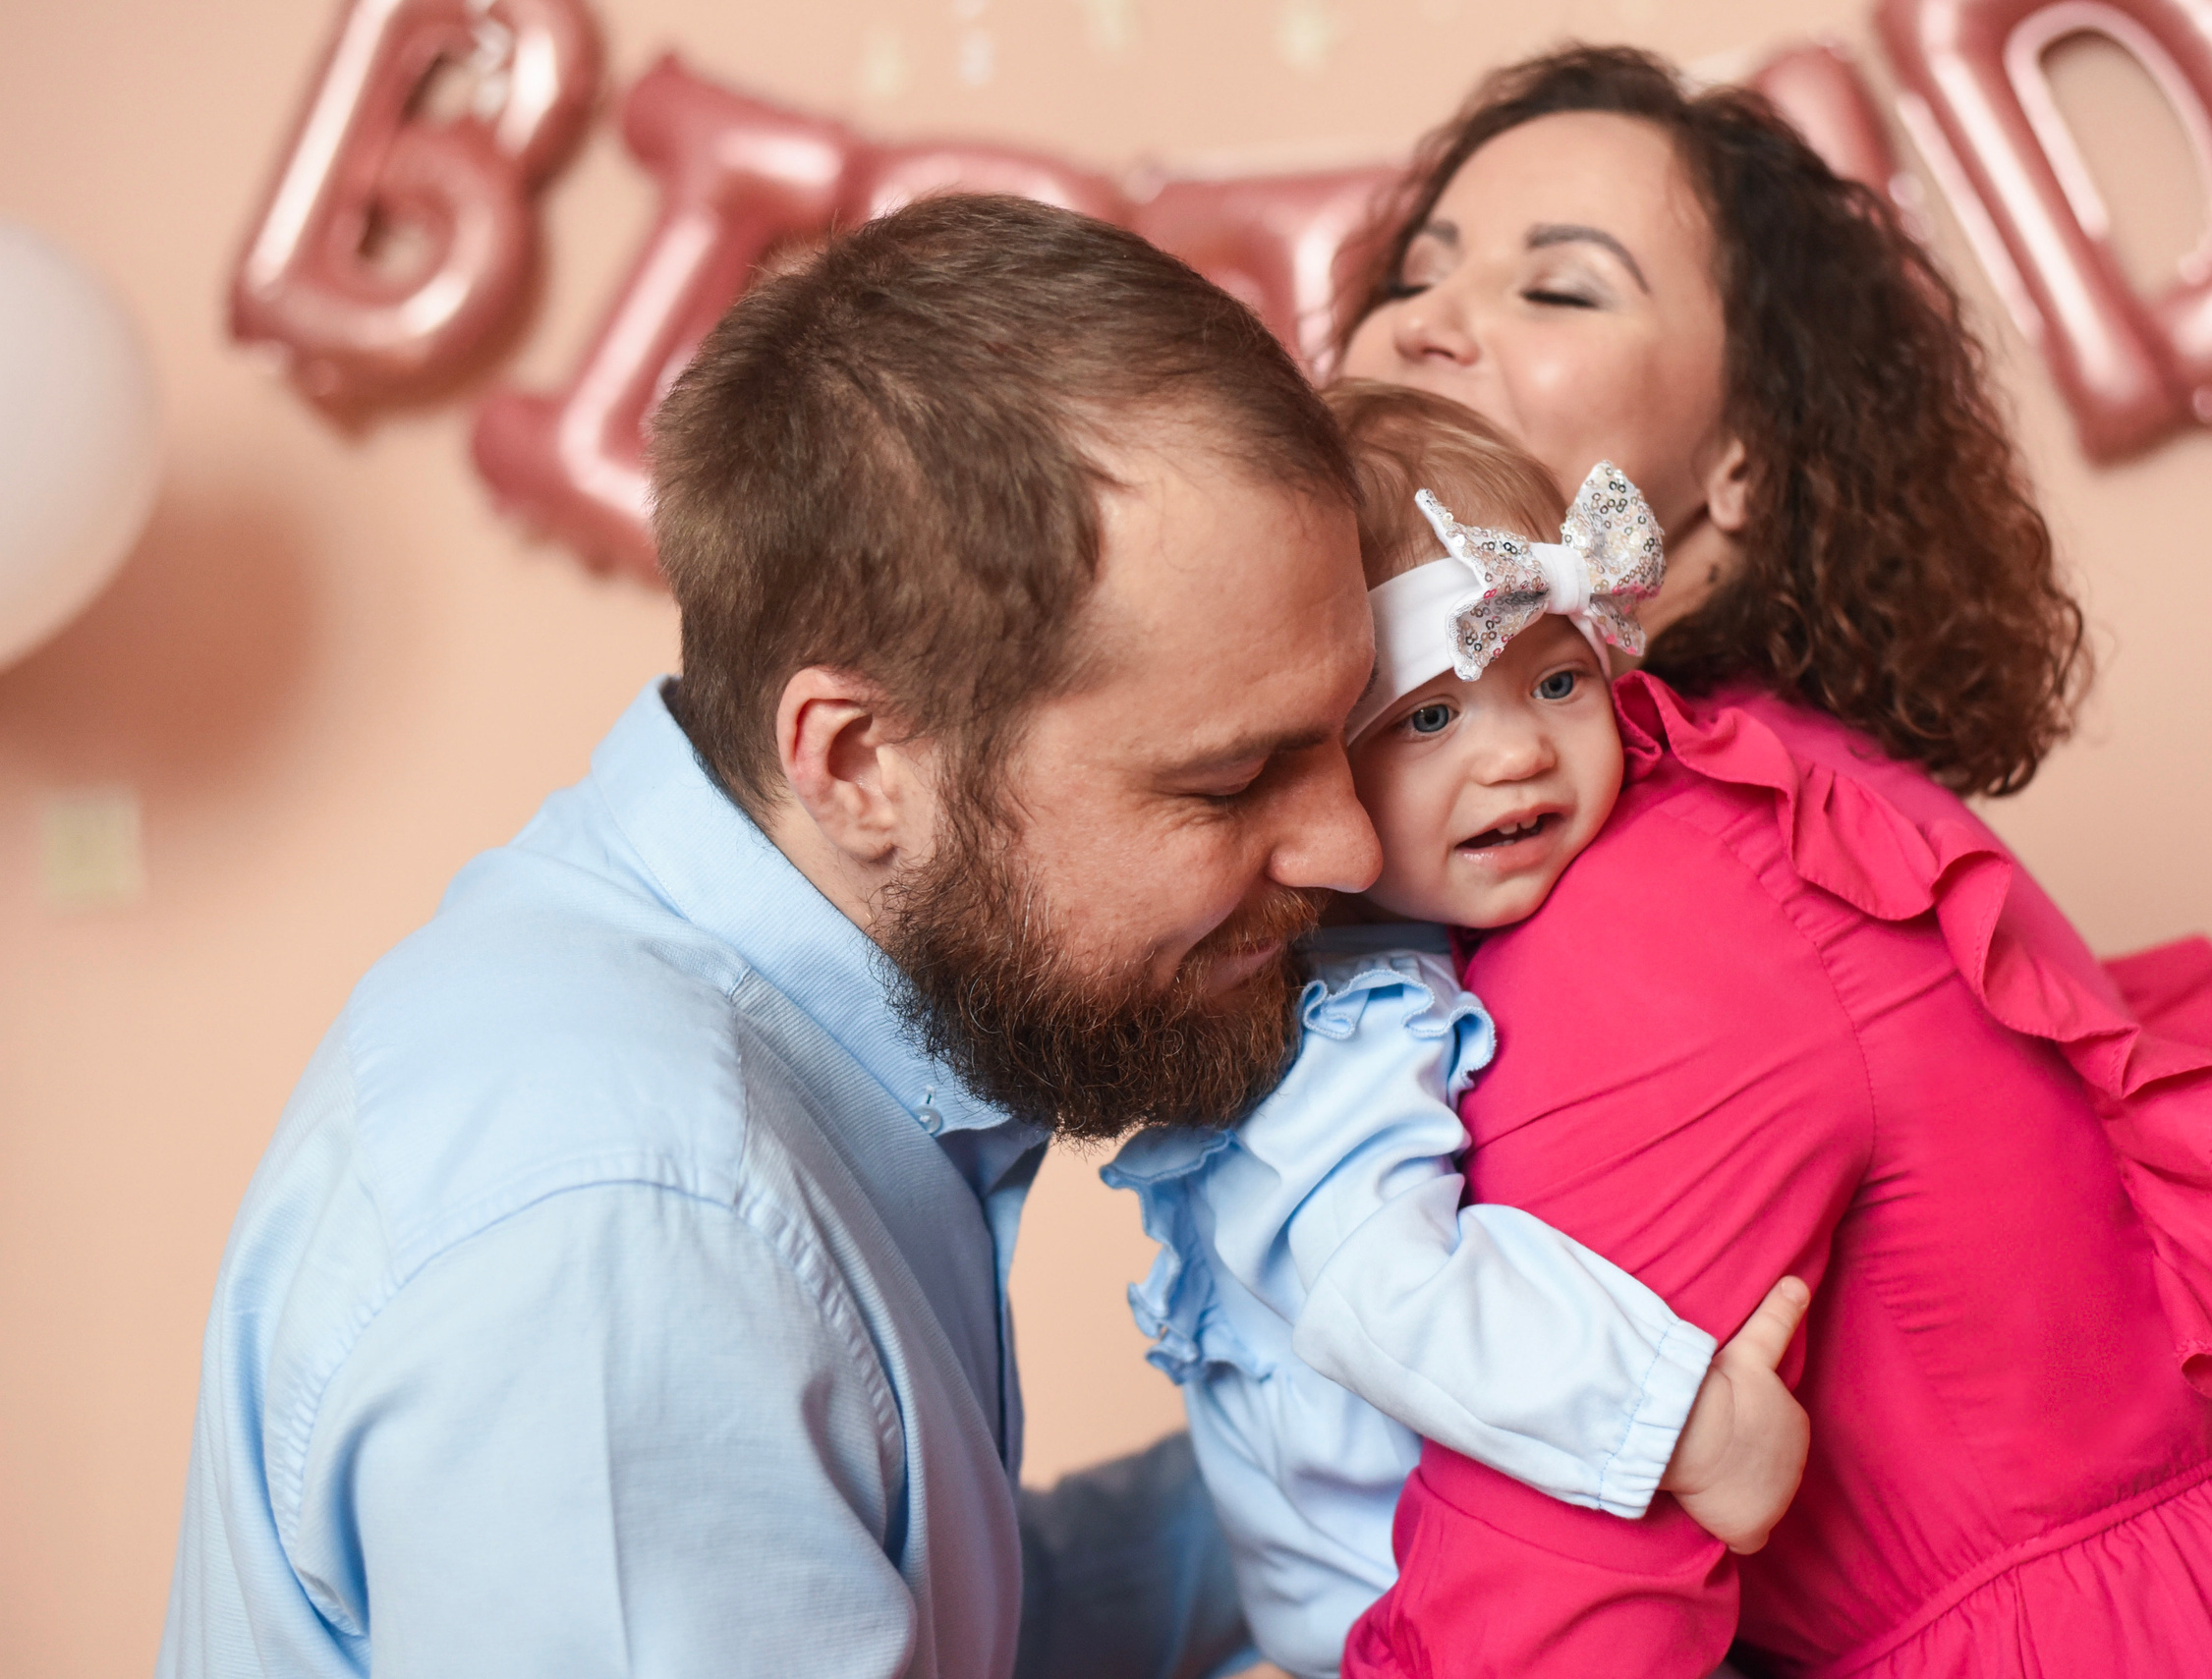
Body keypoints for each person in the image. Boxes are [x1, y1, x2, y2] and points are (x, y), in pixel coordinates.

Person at [1332, 44, 2212, 1678]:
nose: (1426, 322)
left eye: (1562, 289)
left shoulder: (1649, 884)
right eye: (1415, 272)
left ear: (1735, 468)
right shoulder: (1787, 796)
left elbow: (1543, 1621)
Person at [158, 195, 1392, 1679]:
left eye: (1349, 739)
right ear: (863, 760)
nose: (1351, 846)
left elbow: (946, 1631)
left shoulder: (762, 1055)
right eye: (1231, 777)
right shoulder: (630, 1237)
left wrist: (1402, 1459)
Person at [1102, 384, 1810, 1679]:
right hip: (1418, 1617)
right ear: (1307, 769)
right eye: (1429, 717)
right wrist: (1689, 1420)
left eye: (1555, 681)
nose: (1518, 757)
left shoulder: (1430, 963)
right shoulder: (1349, 1028)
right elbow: (1389, 1289)